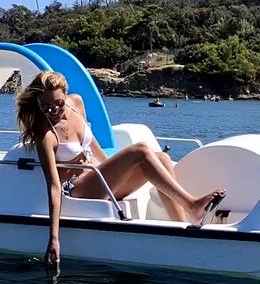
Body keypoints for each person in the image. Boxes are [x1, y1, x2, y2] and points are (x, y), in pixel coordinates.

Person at [16, 72, 225, 267]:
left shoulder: (76, 102)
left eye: (59, 103)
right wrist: (54, 238)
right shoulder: (46, 136)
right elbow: (54, 186)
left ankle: (182, 228)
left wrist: (110, 165)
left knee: (161, 158)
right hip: (78, 189)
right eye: (46, 107)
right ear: (38, 104)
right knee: (141, 150)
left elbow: (90, 140)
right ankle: (191, 204)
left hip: (97, 176)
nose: (54, 110)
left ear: (65, 95)